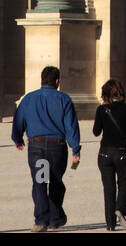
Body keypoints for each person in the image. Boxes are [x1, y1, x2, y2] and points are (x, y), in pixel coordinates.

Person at [12, 65, 81, 231]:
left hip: (36, 146)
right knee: (56, 182)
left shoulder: (29, 98)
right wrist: (75, 149)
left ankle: (41, 220)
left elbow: (18, 119)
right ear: (57, 81)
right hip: (57, 147)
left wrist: (17, 138)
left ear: (42, 79)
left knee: (40, 182)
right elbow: (71, 126)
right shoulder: (64, 99)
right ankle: (55, 218)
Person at [92, 79, 126, 231]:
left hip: (105, 153)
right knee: (125, 184)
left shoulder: (101, 109)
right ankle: (120, 206)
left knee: (108, 189)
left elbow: (96, 132)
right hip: (122, 152)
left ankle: (110, 225)